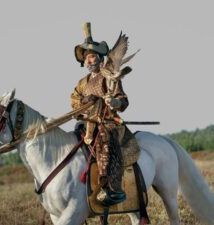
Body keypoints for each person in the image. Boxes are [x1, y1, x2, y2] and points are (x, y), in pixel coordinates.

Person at [71, 23, 137, 206]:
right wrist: (85, 101)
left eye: (92, 57)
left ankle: (112, 188)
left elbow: (123, 100)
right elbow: (74, 101)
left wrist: (115, 102)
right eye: (87, 59)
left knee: (105, 141)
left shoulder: (108, 75)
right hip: (87, 124)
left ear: (100, 58)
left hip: (107, 122)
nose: (90, 61)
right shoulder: (82, 83)